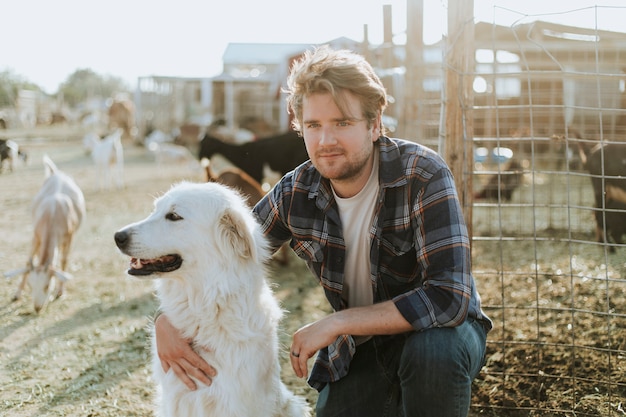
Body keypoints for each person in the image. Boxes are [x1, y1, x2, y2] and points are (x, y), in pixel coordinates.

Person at [154, 45, 492, 417]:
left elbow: (448, 297)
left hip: (440, 337)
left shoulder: (423, 174)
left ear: (375, 123)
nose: (326, 141)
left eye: (342, 123)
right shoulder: (295, 192)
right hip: (360, 349)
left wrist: (338, 322)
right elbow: (224, 255)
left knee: (433, 354)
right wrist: (165, 321)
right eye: (314, 125)